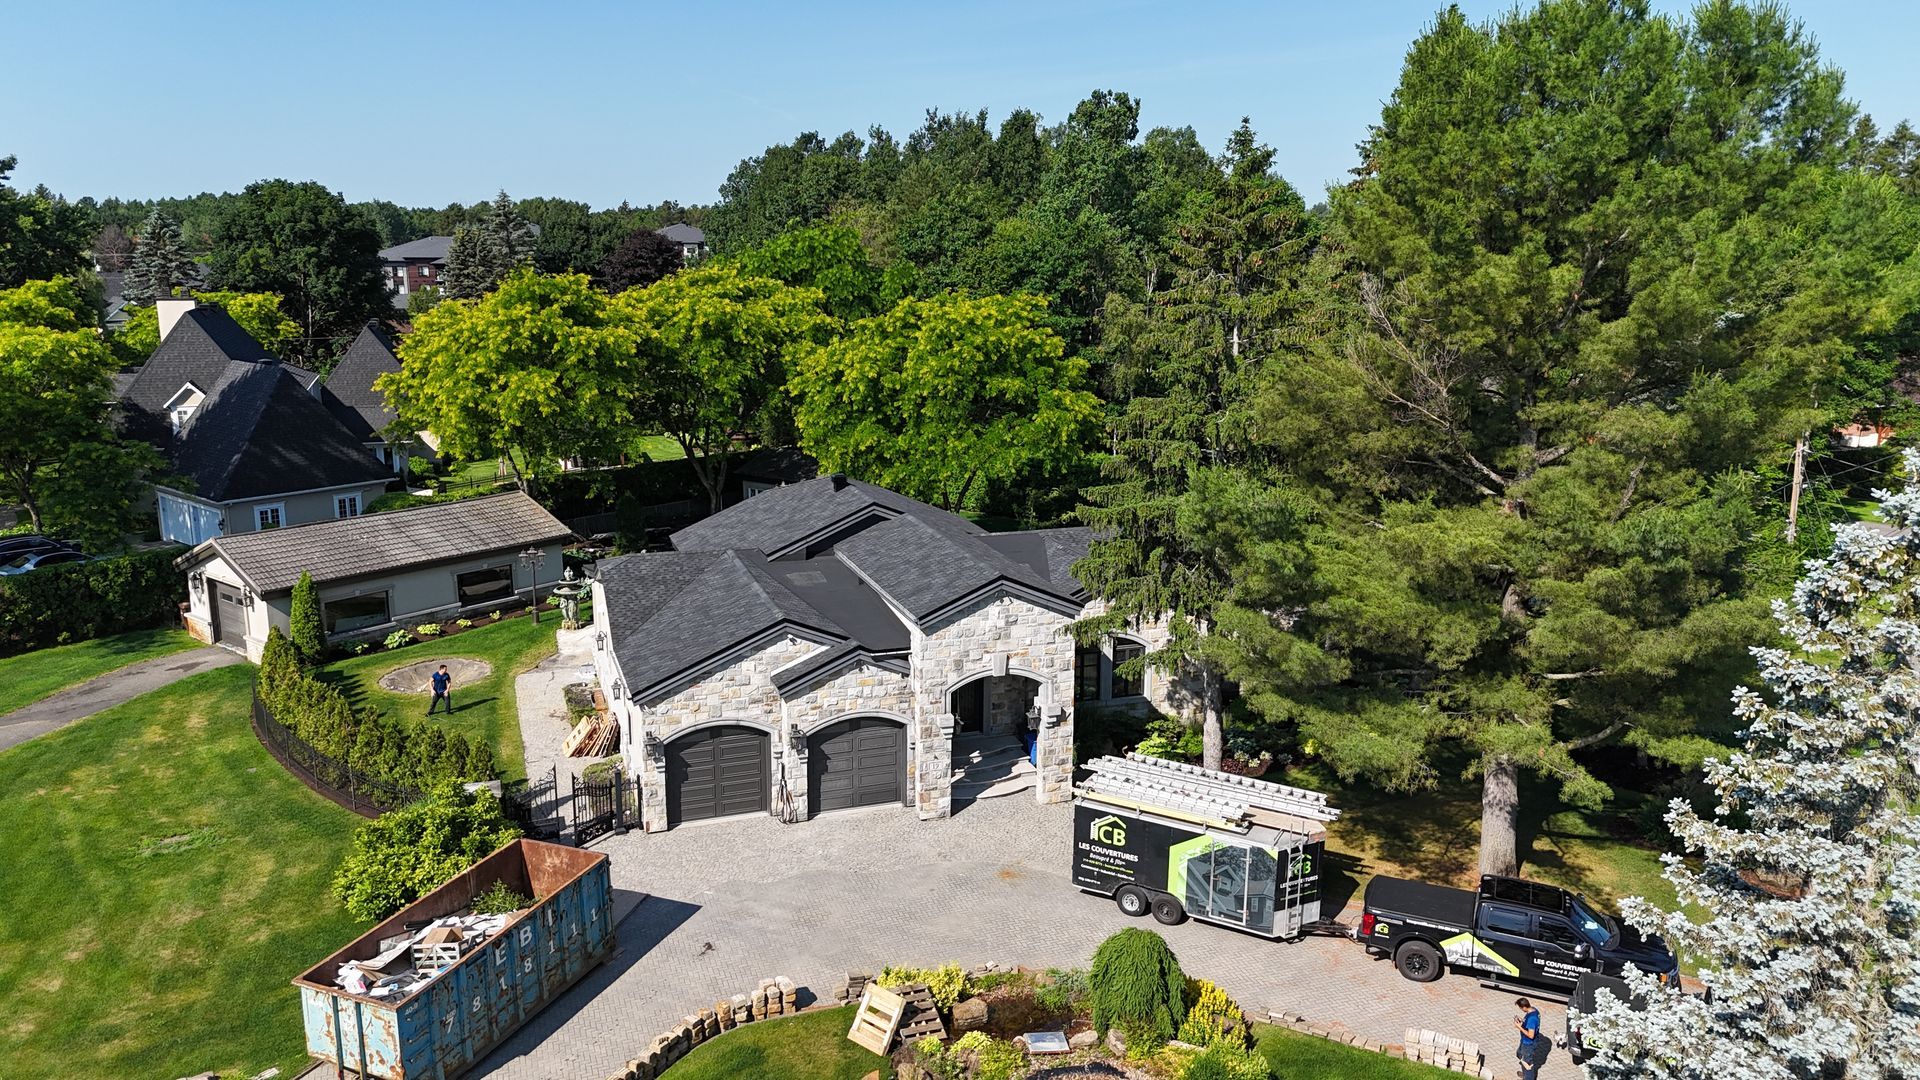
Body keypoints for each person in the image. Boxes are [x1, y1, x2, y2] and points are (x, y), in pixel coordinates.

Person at [1514, 997, 1542, 1080]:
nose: (1521, 1009)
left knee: (1527, 1062)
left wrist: (1519, 1027)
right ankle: (1526, 1074)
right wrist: (1522, 1021)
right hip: (1524, 1041)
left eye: (1520, 1008)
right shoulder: (1533, 1010)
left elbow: (1531, 1035)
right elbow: (1530, 1025)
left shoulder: (1531, 1019)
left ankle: (1528, 1077)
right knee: (1519, 1054)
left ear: (1524, 1007)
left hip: (1528, 1044)